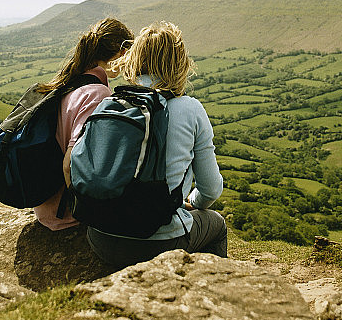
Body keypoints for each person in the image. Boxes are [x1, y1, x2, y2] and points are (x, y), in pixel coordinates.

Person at [81, 21, 227, 268]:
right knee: (217, 224)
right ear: (179, 64)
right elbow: (211, 189)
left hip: (99, 236)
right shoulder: (190, 109)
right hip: (158, 243)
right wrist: (192, 202)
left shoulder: (114, 102)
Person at [33, 17, 134, 231]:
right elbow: (69, 163)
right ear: (123, 53)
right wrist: (88, 212)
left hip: (46, 206)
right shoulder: (97, 94)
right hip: (66, 213)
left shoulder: (71, 81)